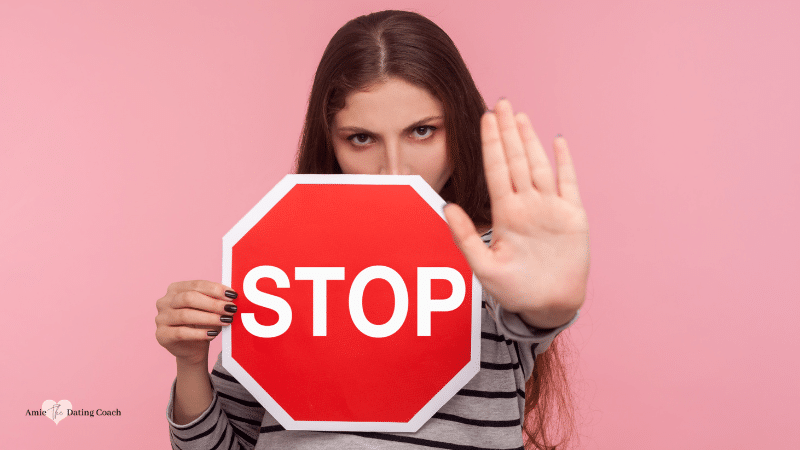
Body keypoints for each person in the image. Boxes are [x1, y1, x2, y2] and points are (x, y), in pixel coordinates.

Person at [155, 10, 590, 450]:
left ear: (457, 125)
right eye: (361, 138)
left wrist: (549, 305)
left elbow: (535, 310)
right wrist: (190, 362)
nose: (395, 172)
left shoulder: (499, 259)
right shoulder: (288, 268)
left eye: (422, 131)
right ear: (330, 141)